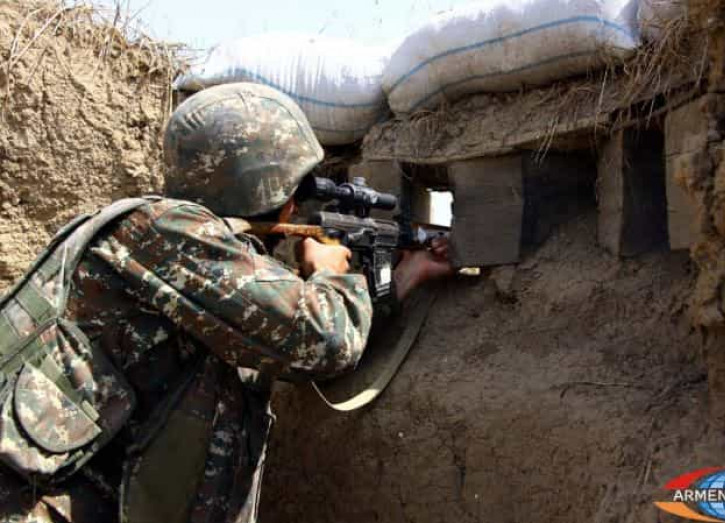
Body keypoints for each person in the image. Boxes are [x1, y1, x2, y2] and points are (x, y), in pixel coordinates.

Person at [0, 83, 451, 523]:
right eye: (294, 189)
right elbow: (322, 341)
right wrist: (330, 271)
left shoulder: (166, 240)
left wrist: (406, 275)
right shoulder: (169, 231)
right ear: (265, 187)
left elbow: (277, 338)